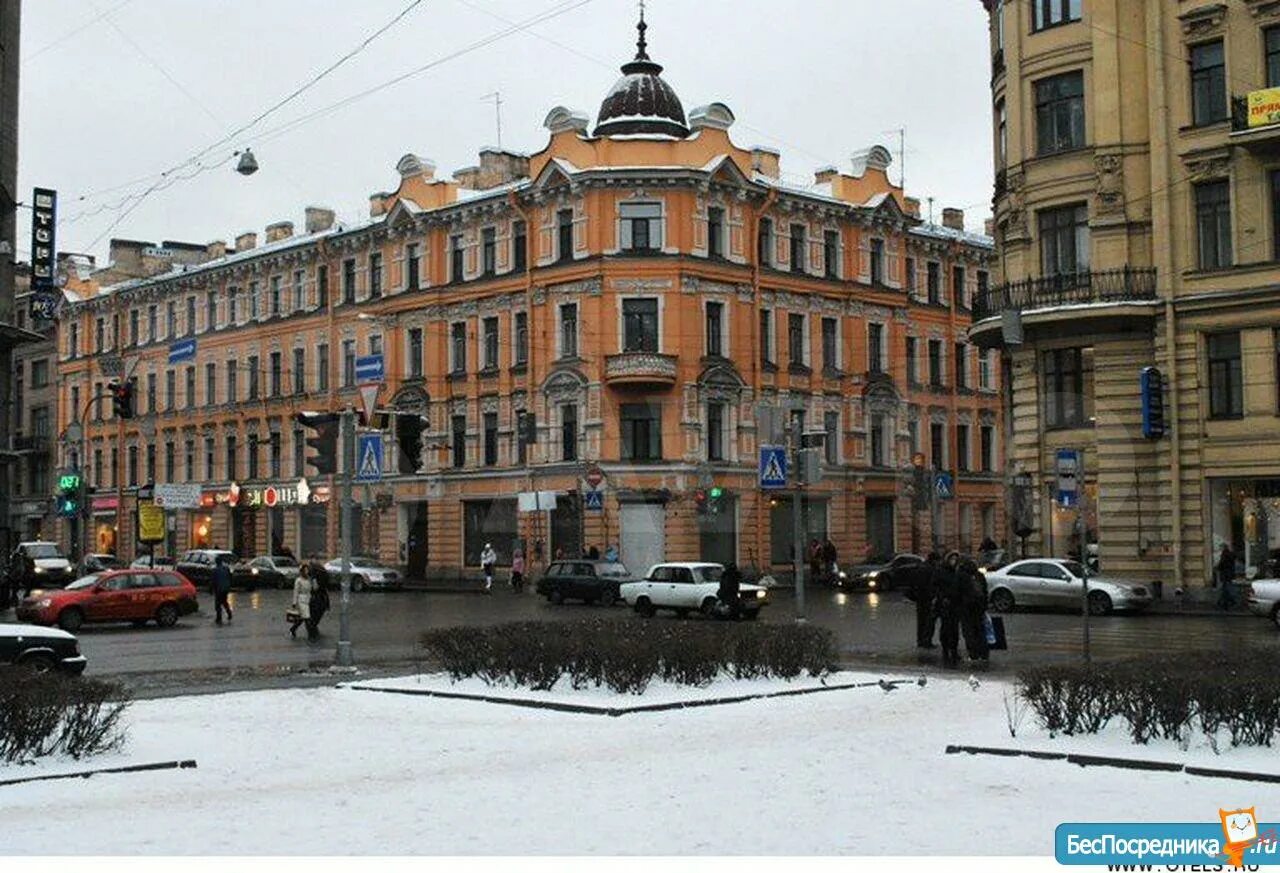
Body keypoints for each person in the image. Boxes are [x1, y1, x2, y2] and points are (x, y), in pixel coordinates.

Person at [957, 556, 990, 663]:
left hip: (966, 608)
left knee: (969, 632)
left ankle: (973, 654)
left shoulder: (961, 575)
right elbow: (985, 591)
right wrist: (984, 606)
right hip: (979, 608)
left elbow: (957, 592)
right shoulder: (979, 575)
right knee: (980, 630)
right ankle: (984, 654)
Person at [935, 552, 963, 667]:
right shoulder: (941, 572)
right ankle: (946, 650)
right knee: (946, 627)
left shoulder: (957, 572)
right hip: (944, 604)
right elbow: (936, 587)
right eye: (952, 559)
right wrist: (942, 598)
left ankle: (954, 650)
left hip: (955, 604)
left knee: (955, 628)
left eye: (956, 559)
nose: (954, 561)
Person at [907, 553, 940, 649]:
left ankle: (921, 640)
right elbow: (930, 585)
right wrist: (933, 595)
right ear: (934, 560)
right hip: (927, 599)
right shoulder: (930, 569)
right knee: (928, 621)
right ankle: (926, 641)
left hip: (920, 599)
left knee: (922, 621)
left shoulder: (921, 567)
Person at [290, 563, 315, 639]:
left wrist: (313, 581)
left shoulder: (309, 579)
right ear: (302, 571)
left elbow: (314, 588)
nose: (307, 572)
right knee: (307, 617)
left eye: (307, 570)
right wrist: (294, 602)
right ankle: (310, 634)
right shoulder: (298, 580)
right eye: (305, 570)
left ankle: (293, 628)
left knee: (302, 618)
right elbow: (296, 591)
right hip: (301, 600)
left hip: (308, 599)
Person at [306, 566, 330, 642]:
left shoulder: (314, 578)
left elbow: (315, 588)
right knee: (315, 618)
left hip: (316, 600)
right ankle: (314, 631)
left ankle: (312, 634)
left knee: (311, 618)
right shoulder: (323, 577)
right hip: (322, 600)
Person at [212, 554, 234, 625]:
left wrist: (211, 589)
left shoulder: (215, 570)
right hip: (226, 588)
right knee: (224, 602)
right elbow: (230, 577)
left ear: (216, 562)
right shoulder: (226, 568)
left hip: (219, 589)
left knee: (218, 604)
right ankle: (229, 614)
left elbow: (213, 581)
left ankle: (219, 618)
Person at [1217, 544, 1236, 610]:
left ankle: (1227, 603)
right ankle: (1225, 602)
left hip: (1225, 574)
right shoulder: (1230, 554)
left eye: (1221, 548)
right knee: (1225, 589)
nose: (1220, 549)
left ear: (1223, 548)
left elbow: (1221, 564)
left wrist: (1218, 567)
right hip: (1230, 574)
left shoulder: (1224, 555)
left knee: (1225, 589)